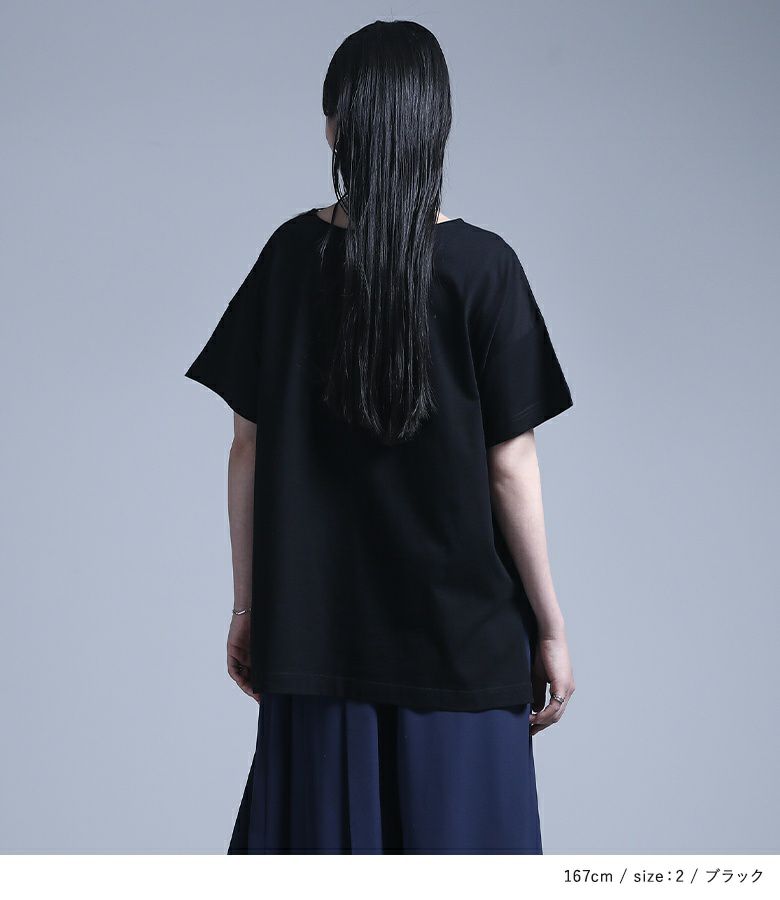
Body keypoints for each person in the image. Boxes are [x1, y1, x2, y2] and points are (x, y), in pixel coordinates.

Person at [185, 19, 575, 854]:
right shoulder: (485, 268)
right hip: (465, 651)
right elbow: (509, 466)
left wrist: (249, 608)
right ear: (438, 129)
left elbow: (247, 447)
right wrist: (550, 627)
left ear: (335, 127)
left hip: (314, 643)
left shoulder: (290, 258)